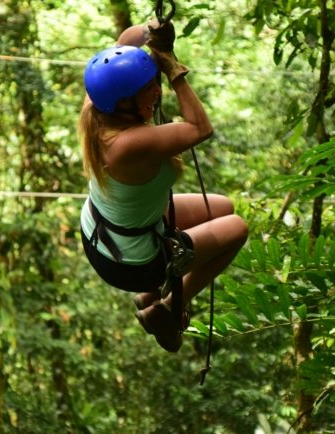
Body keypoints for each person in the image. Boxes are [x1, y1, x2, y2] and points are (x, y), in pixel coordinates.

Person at [79, 20, 248, 353]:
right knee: (237, 228)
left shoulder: (98, 107)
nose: (156, 93)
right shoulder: (128, 144)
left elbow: (125, 41)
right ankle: (169, 306)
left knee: (223, 207)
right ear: (126, 102)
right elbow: (200, 128)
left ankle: (150, 295)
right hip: (129, 262)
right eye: (148, 89)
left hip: (103, 232)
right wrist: (173, 70)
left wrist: (150, 29)